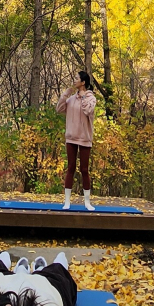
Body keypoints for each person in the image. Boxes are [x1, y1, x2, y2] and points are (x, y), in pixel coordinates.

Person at [56, 71, 97, 211]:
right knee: (71, 168)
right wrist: (65, 95)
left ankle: (87, 202)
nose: (74, 80)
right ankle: (67, 202)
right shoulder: (71, 99)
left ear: (83, 82)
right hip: (71, 137)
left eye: (76, 78)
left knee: (84, 169)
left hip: (85, 138)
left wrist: (84, 96)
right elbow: (59, 109)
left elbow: (88, 110)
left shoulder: (91, 98)